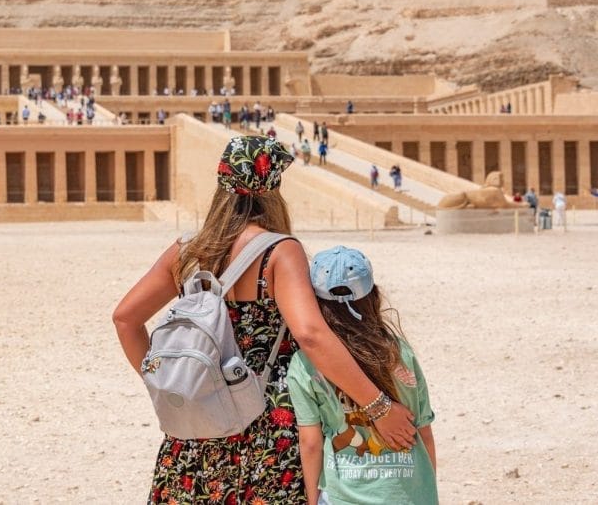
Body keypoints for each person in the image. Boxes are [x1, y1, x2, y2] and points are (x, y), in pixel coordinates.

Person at [112, 136, 418, 504]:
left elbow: (125, 319)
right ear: (272, 189)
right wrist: (378, 407)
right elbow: (311, 335)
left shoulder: (187, 251)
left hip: (197, 421)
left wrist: (170, 382)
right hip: (265, 424)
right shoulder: (279, 251)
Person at [287, 246, 437, 505]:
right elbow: (423, 430)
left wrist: (312, 499)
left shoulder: (304, 365)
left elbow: (310, 442)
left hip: (343, 496)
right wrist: (427, 489)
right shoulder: (398, 353)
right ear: (374, 295)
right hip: (406, 496)